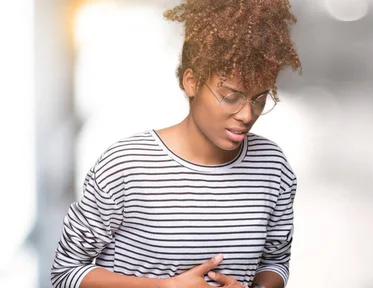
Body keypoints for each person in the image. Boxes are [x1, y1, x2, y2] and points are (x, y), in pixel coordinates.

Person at [50, 0, 302, 287]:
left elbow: (275, 262)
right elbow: (66, 272)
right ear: (192, 82)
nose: (247, 115)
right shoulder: (126, 165)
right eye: (230, 96)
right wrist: (163, 287)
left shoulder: (272, 165)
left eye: (259, 99)